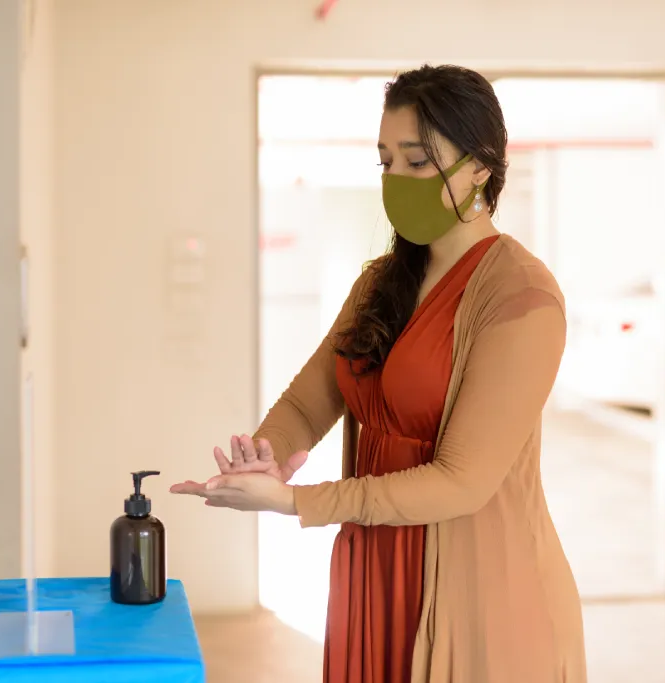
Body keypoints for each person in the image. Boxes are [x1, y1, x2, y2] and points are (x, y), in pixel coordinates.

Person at [170, 64, 587, 683]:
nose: (396, 180)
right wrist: (267, 453)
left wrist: (295, 501)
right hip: (374, 562)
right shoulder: (380, 282)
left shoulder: (520, 296)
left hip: (480, 587)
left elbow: (462, 483)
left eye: (417, 161)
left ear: (480, 166)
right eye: (386, 161)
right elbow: (309, 401)